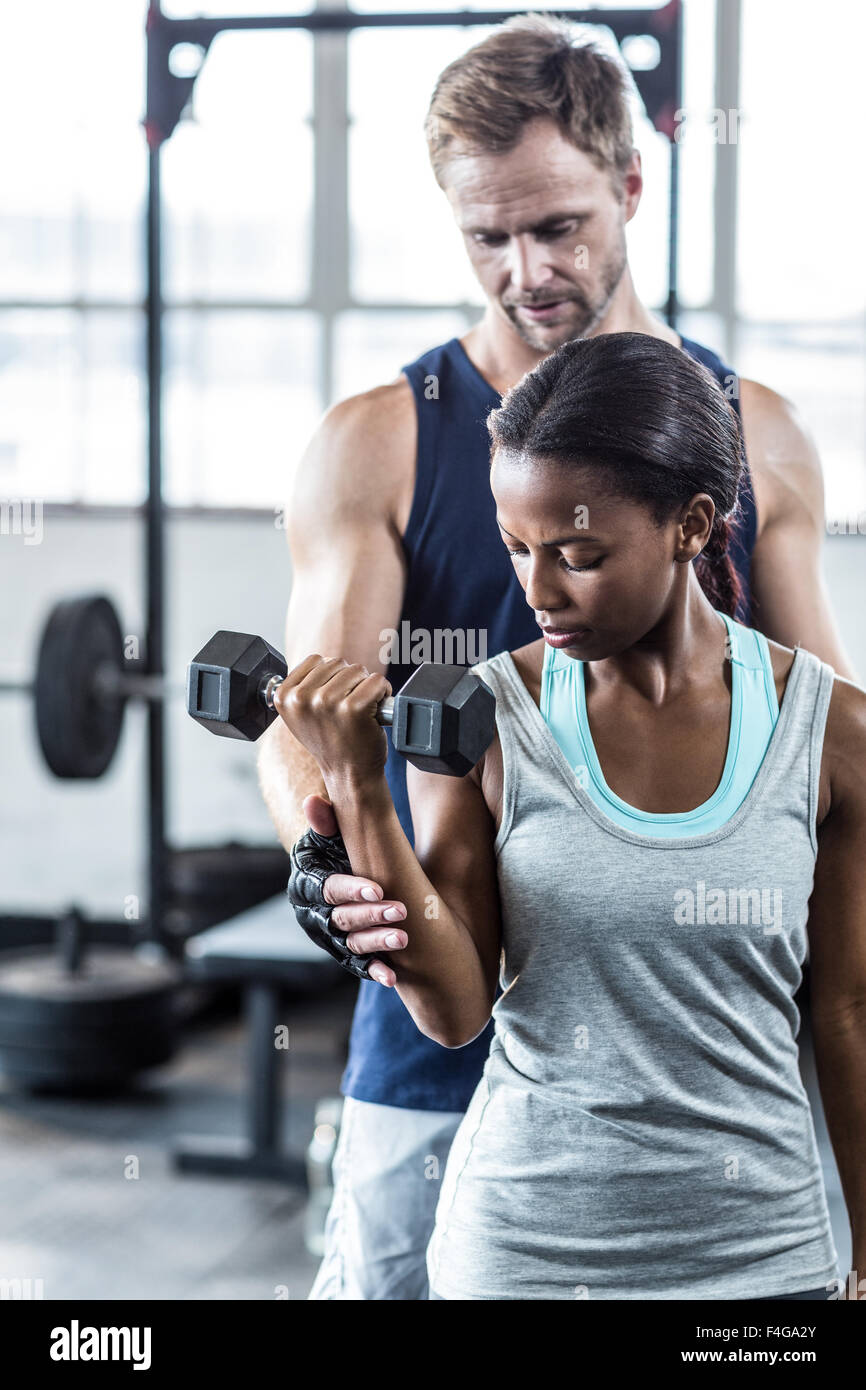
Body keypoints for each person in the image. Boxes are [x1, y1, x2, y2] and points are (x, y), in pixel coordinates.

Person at [256, 16, 854, 1299]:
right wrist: (322, 856)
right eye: (487, 237)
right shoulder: (383, 440)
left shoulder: (757, 438)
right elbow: (304, 714)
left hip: (693, 1053)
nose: (524, 269)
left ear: (629, 186)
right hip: (435, 1028)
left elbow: (822, 740)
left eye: (558, 226)